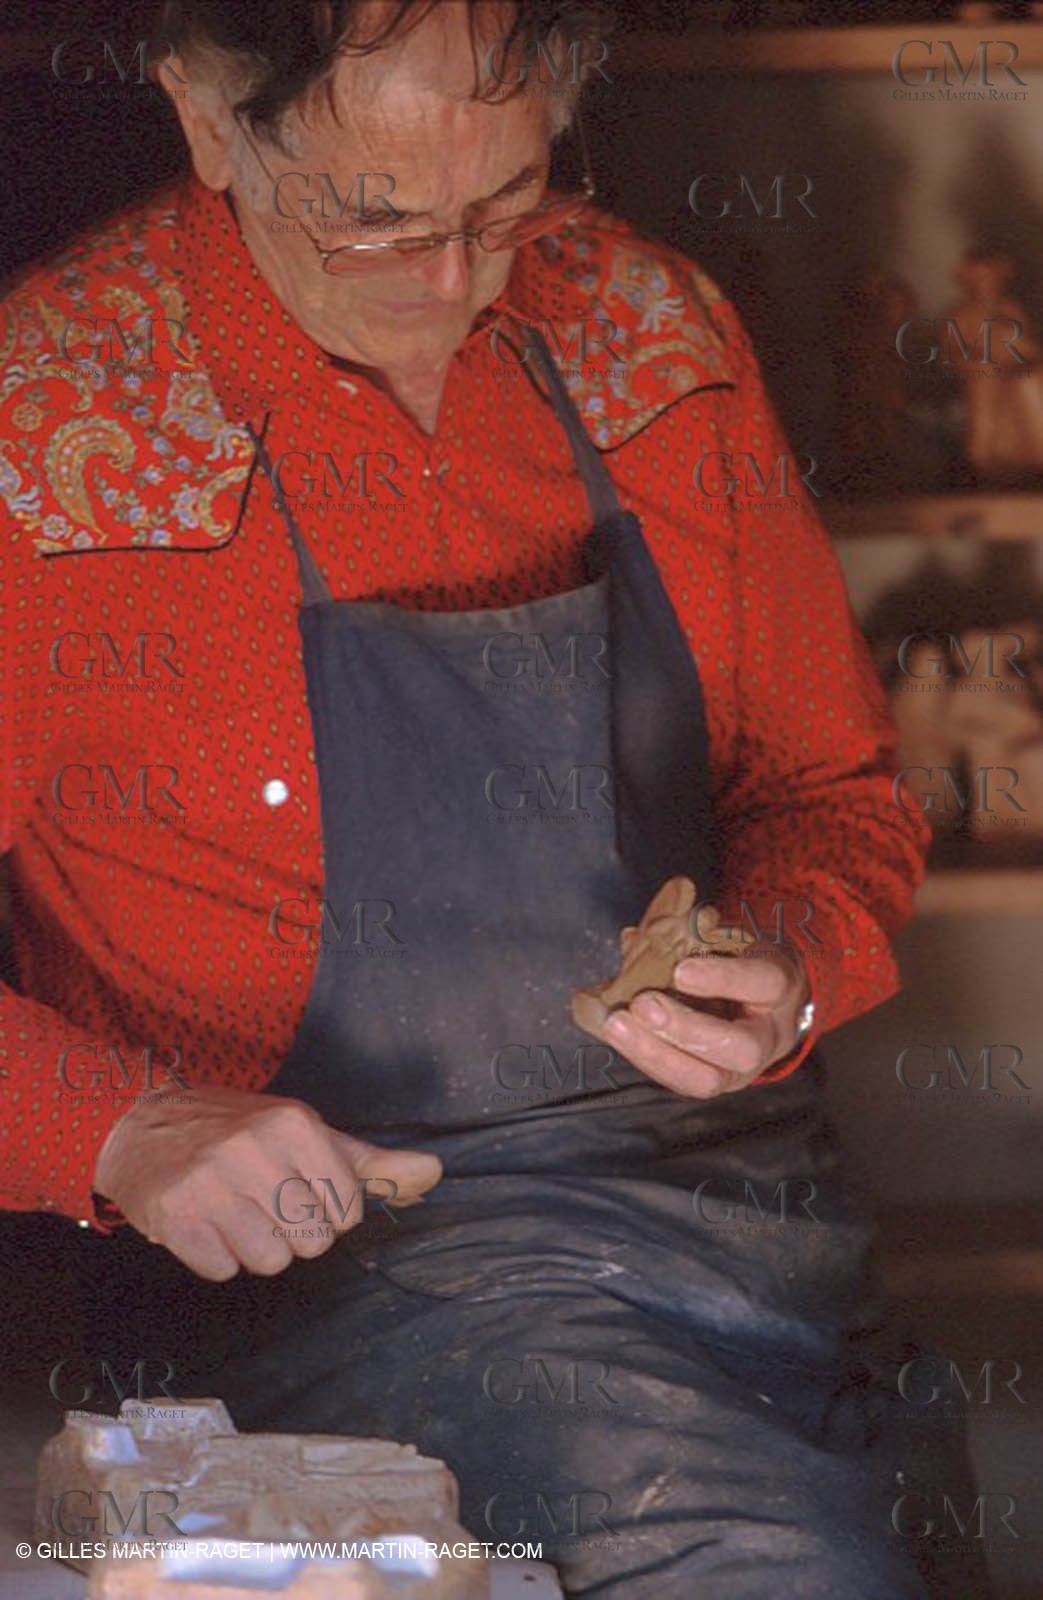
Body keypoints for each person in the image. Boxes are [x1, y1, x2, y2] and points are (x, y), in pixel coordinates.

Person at [0, 3, 986, 1596]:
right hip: (361, 1278)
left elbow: (830, 788)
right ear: (203, 123)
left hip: (758, 1220)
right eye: (375, 216)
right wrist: (117, 1127)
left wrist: (789, 965)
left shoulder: (656, 334)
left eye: (503, 208)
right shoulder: (43, 436)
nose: (451, 285)